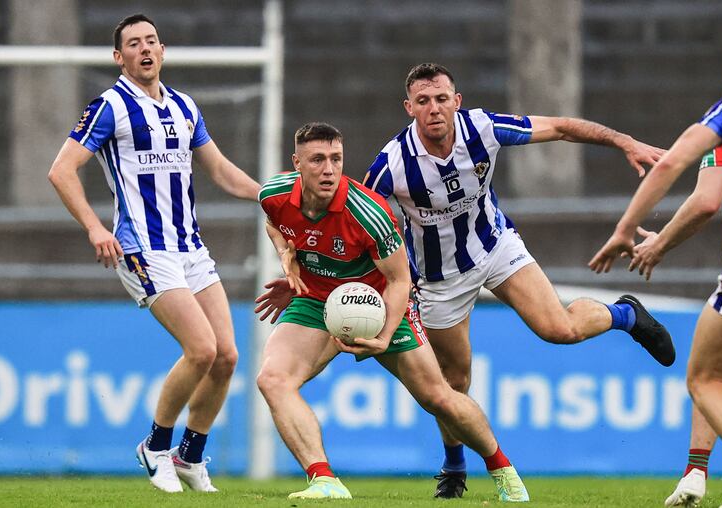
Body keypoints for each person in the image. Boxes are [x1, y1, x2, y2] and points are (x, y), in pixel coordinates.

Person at [358, 62, 676, 498]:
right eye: (424, 101)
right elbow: (360, 222)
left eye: (442, 98)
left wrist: (624, 141)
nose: (435, 109)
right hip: (438, 278)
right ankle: (454, 467)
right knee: (454, 381)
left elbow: (561, 128)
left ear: (457, 101)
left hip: (495, 248)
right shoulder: (390, 164)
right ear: (409, 107)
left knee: (559, 329)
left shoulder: (483, 128)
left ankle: (626, 315)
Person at [255, 122, 529, 501]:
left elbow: (401, 281)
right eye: (317, 160)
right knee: (272, 379)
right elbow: (275, 224)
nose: (329, 169)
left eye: (336, 159)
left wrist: (383, 336)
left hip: (380, 302)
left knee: (438, 396)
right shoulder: (274, 193)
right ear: (296, 164)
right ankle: (324, 480)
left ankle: (502, 469)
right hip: (316, 299)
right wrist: (288, 256)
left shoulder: (369, 211)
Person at [47, 14, 260, 493]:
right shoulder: (109, 107)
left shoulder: (184, 106)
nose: (144, 49)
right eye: (133, 44)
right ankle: (155, 445)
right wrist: (93, 227)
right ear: (118, 57)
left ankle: (190, 456)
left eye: (151, 41)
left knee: (226, 355)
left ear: (162, 51)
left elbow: (222, 172)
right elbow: (61, 170)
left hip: (190, 246)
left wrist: (271, 195)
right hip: (143, 248)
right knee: (201, 349)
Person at [590, 10, 722, 508]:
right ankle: (699, 473)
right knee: (715, 353)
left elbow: (698, 191)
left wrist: (629, 232)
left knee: (707, 377)